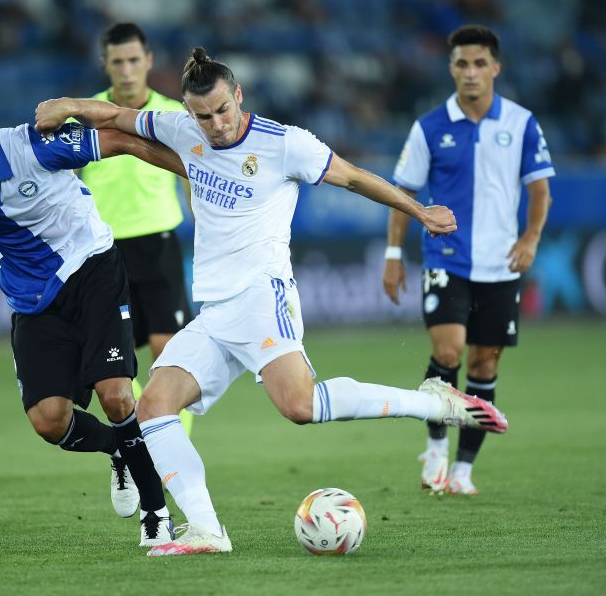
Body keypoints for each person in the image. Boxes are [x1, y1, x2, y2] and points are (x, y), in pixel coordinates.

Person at [34, 47, 509, 556]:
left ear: (238, 96)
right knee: (153, 406)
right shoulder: (183, 128)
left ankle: (433, 402)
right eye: (203, 116)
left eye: (222, 110)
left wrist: (419, 211)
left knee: (300, 406)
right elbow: (120, 117)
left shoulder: (286, 145)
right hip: (214, 311)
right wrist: (68, 104)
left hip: (263, 295)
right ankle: (207, 531)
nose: (215, 125)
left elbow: (352, 176)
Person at [0, 92, 185, 546]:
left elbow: (119, 140)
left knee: (117, 397)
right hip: (34, 302)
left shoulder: (33, 147)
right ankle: (120, 449)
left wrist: (196, 171)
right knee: (49, 422)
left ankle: (155, 512)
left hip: (93, 270)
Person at [383, 25, 554, 496]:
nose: (471, 72)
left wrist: (531, 238)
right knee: (449, 352)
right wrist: (394, 254)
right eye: (462, 64)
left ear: (495, 68)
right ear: (451, 68)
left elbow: (540, 190)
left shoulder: (521, 123)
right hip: (448, 257)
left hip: (500, 264)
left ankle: (464, 469)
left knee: (484, 362)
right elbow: (404, 196)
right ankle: (436, 445)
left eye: (480, 64)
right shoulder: (429, 127)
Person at [78, 22, 195, 436]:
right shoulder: (85, 115)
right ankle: (152, 438)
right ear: (105, 64)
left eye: (133, 60)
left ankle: (169, 455)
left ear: (147, 60)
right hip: (104, 251)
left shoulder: (174, 114)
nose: (126, 70)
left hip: (159, 244)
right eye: (117, 62)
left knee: (171, 356)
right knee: (116, 363)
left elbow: (193, 181)